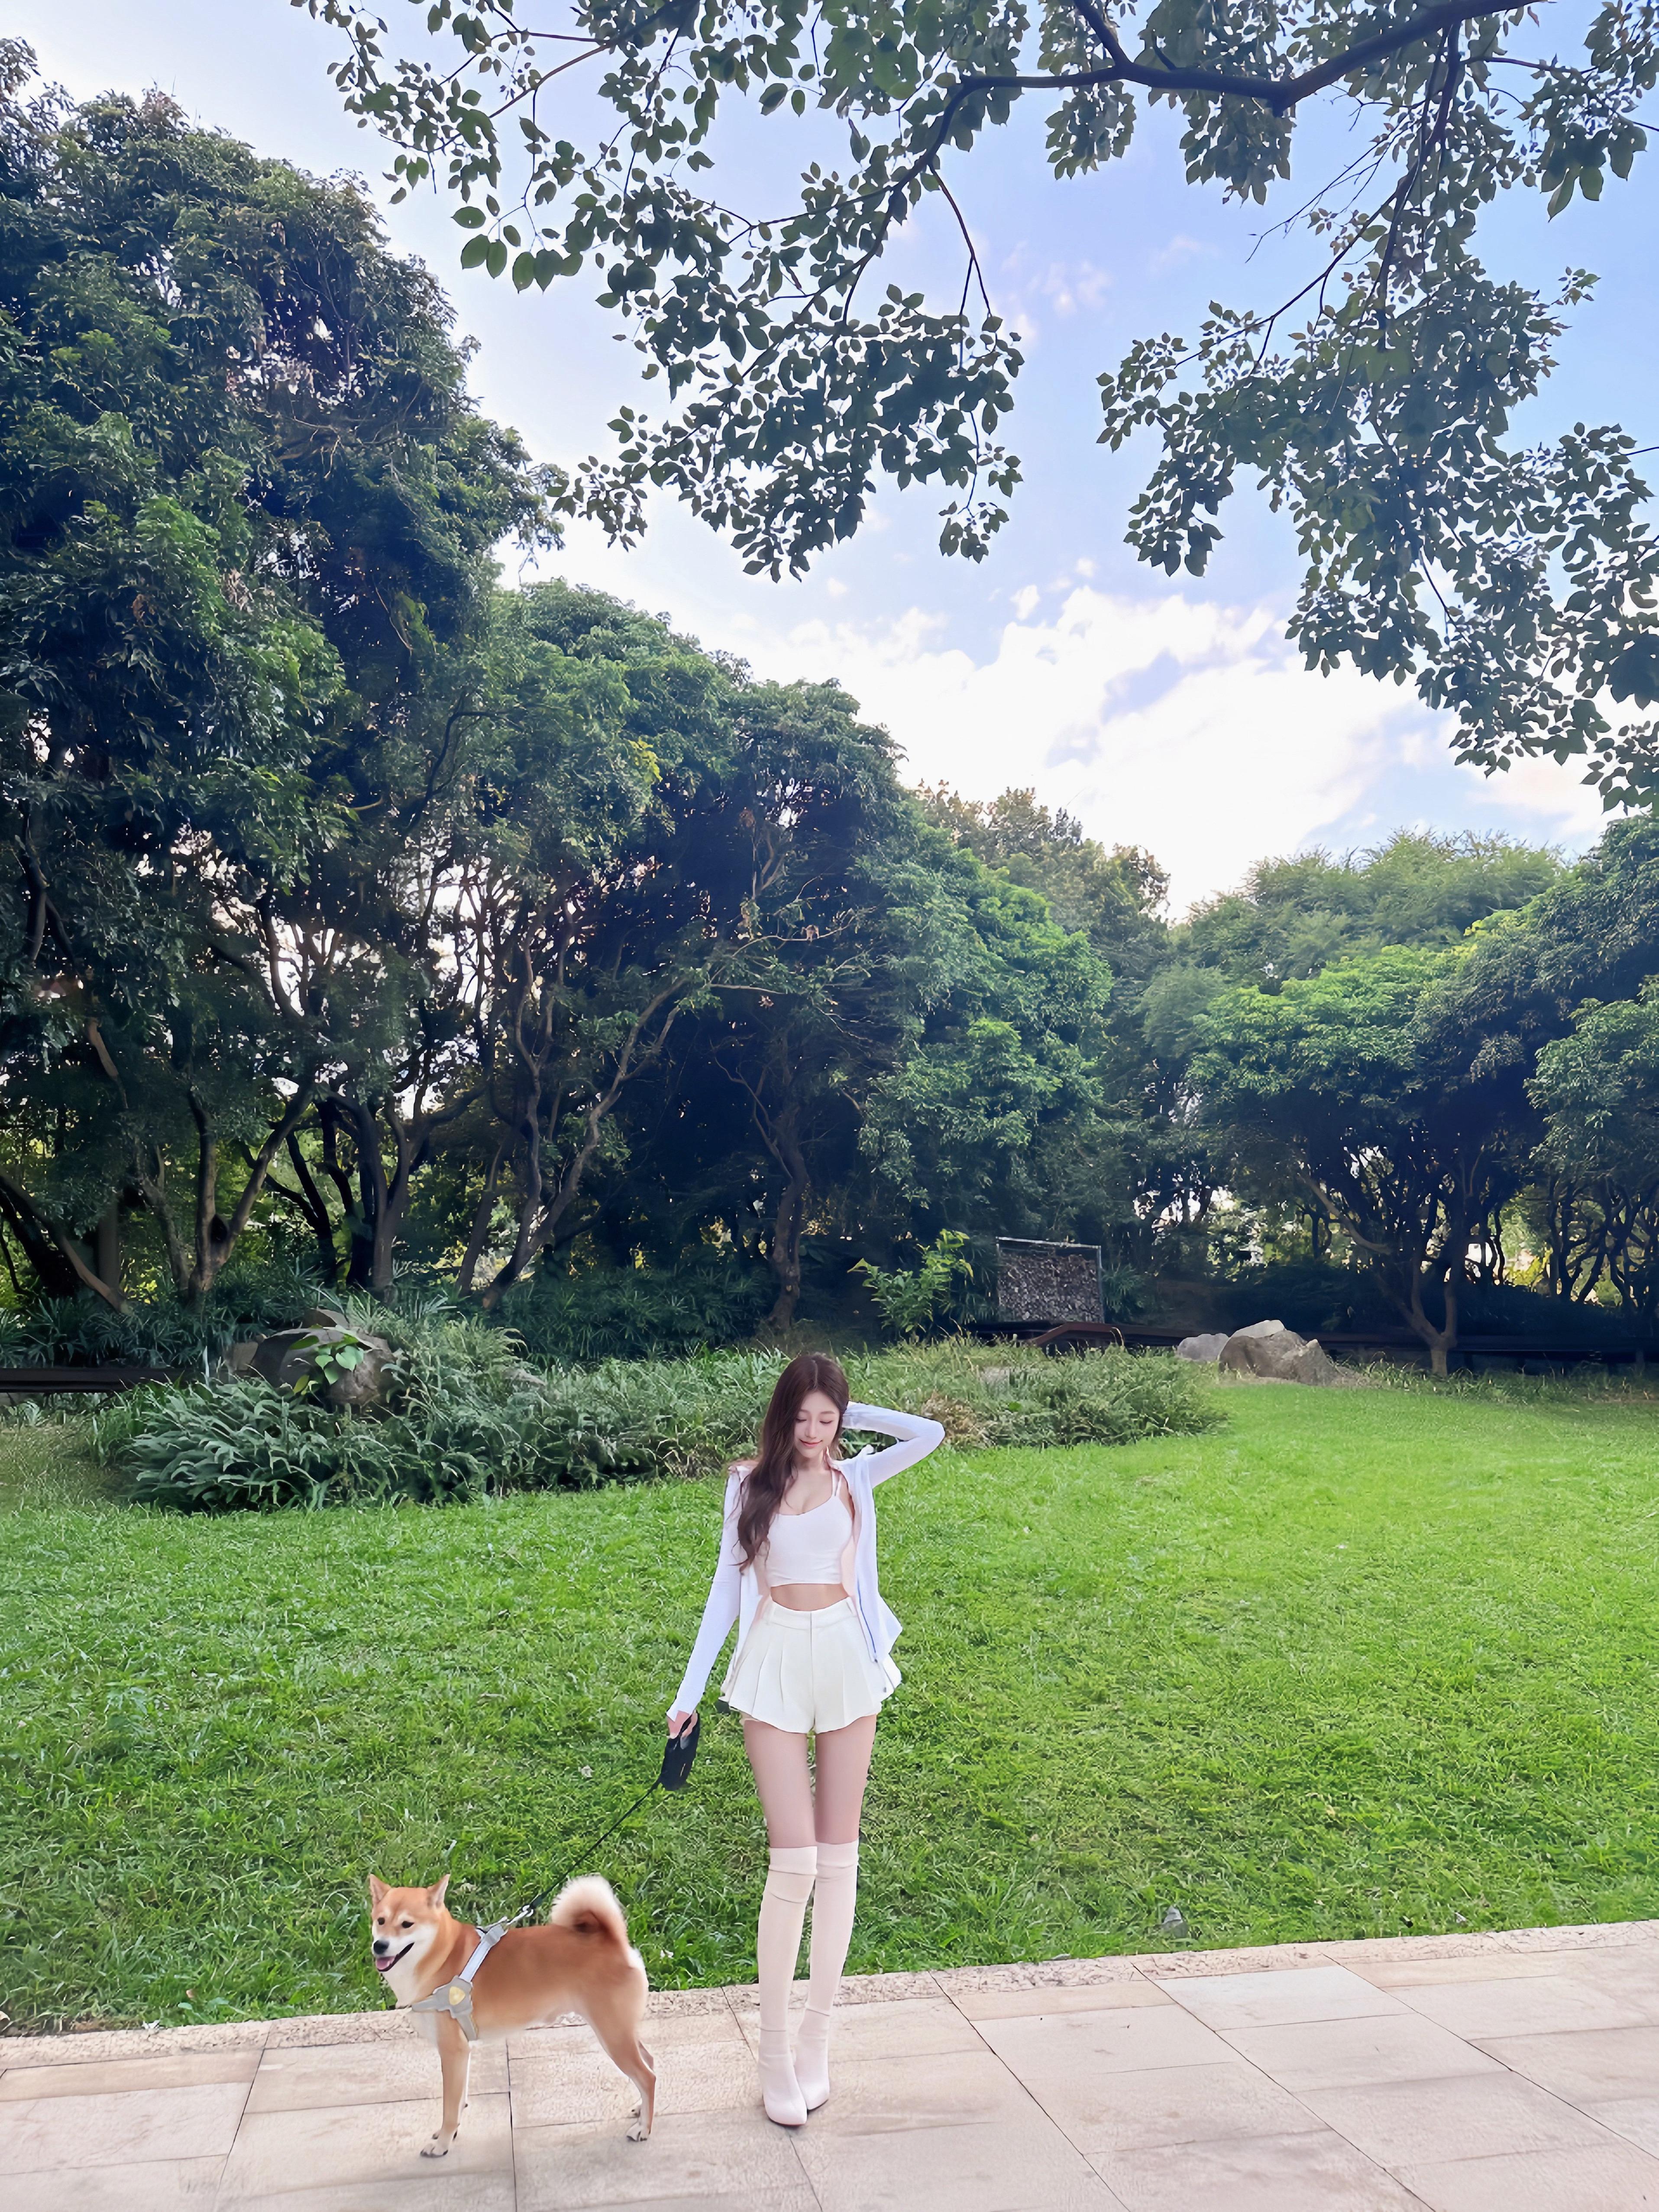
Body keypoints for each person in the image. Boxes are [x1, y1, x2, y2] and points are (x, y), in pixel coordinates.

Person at [666, 1352, 944, 2127]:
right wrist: (687, 1696)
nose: (816, 1432)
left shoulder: (856, 1478)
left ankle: (818, 2041)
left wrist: (855, 1412)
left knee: (838, 1858)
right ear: (780, 1416)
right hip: (775, 1655)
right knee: (792, 1864)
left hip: (848, 1656)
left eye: (828, 1419)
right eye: (803, 1417)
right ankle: (774, 2053)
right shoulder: (748, 1484)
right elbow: (724, 1591)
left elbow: (929, 1433)